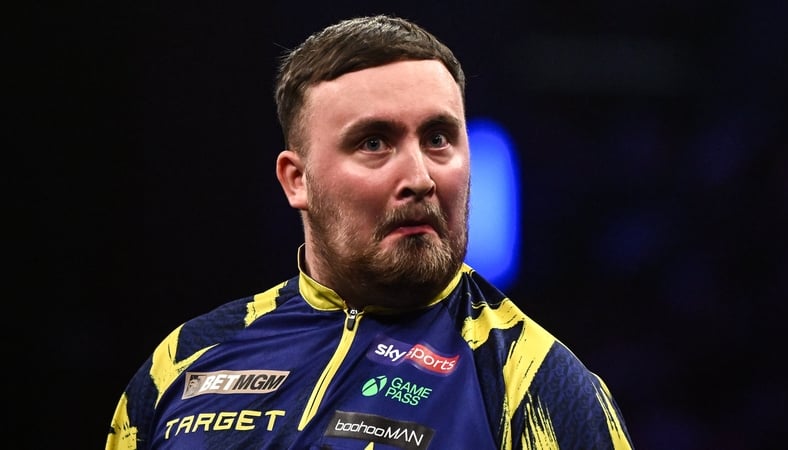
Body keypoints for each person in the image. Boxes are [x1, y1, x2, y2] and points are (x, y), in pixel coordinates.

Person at [106, 14, 635, 449]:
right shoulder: (181, 362)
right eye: (374, 143)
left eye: (439, 137)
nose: (420, 178)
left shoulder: (533, 382)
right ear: (298, 180)